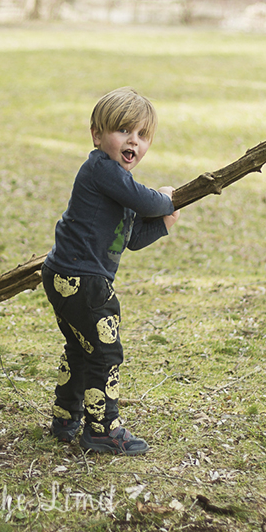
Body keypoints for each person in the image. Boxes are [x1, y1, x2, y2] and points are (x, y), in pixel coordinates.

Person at [42, 87, 179, 455]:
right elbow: (145, 200)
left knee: (81, 347)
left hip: (65, 275)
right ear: (97, 135)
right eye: (123, 131)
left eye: (142, 135)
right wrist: (164, 198)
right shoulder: (103, 169)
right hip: (85, 281)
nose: (133, 141)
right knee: (105, 354)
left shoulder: (116, 183)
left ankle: (66, 416)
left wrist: (164, 223)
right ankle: (103, 428)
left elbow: (131, 237)